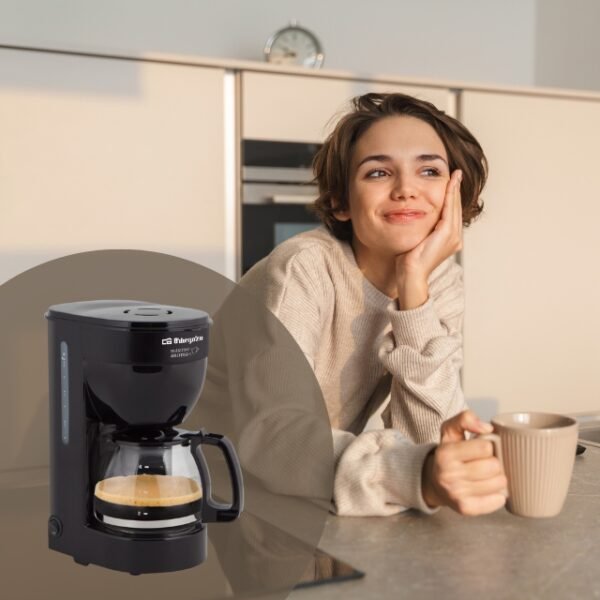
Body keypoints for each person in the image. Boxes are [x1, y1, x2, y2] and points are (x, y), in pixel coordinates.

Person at [239, 92, 507, 517]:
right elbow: (274, 440)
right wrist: (414, 474)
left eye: (429, 170)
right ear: (340, 203)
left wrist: (413, 286)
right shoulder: (303, 269)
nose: (406, 190)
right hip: (217, 494)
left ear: (457, 193)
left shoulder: (441, 282)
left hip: (308, 497)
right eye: (379, 172)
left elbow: (431, 440)